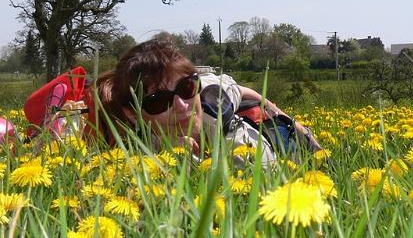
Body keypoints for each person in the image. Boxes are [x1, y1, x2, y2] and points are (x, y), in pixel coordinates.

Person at [91, 38, 319, 167]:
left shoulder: (212, 95)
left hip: (278, 154)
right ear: (133, 114)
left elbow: (244, 90)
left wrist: (294, 125)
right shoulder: (139, 159)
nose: (182, 105)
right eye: (159, 101)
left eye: (186, 87)